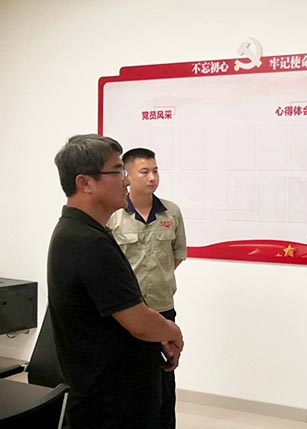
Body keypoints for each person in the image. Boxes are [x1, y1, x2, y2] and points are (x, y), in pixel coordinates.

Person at [48, 134, 184, 429]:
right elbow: (139, 322)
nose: (126, 181)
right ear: (85, 183)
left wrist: (159, 329)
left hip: (114, 393)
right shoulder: (88, 242)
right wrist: (172, 331)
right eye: (118, 171)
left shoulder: (82, 231)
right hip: (112, 404)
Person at [107, 147, 186, 429]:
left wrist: (156, 279)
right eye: (144, 172)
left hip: (162, 308)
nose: (152, 177)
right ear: (126, 176)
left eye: (155, 171)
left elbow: (176, 255)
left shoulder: (171, 212)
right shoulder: (114, 215)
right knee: (128, 382)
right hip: (126, 312)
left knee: (164, 381)